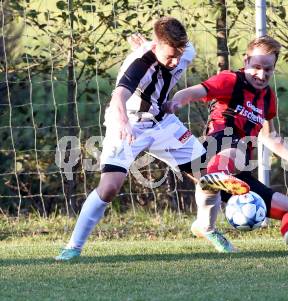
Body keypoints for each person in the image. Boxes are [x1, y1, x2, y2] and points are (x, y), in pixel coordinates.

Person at [55, 17, 248, 261]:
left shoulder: (184, 51)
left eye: (179, 55)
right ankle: (73, 247)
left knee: (207, 176)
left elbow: (177, 55)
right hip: (128, 124)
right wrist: (124, 122)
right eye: (170, 56)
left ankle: (207, 227)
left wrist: (169, 99)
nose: (176, 62)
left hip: (162, 123)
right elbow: (118, 98)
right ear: (156, 46)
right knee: (109, 188)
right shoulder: (138, 64)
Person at [162, 35, 288, 253]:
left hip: (238, 176)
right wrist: (177, 101)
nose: (261, 74)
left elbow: (270, 137)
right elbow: (191, 92)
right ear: (245, 61)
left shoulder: (268, 98)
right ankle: (216, 177)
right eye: (256, 67)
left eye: (268, 70)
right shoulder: (230, 80)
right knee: (236, 148)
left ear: (274, 68)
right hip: (216, 149)